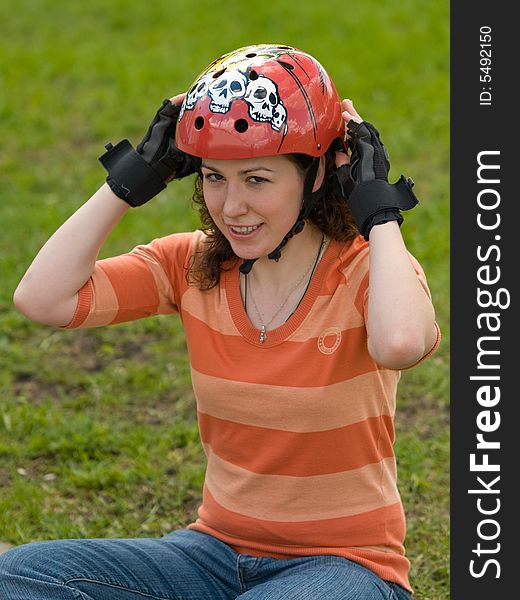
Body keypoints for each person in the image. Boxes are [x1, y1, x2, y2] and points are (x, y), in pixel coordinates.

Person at [1, 44, 440, 599]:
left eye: (256, 179)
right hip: (210, 554)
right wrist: (132, 179)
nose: (230, 207)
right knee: (19, 574)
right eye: (214, 177)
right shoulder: (192, 264)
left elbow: (401, 342)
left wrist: (377, 210)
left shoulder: (369, 269)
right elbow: (42, 299)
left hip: (345, 568)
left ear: (319, 173)